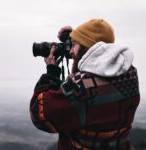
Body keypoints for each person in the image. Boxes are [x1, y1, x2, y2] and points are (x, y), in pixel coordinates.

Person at [30, 19, 140, 150]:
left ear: (87, 47)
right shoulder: (130, 74)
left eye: (74, 45)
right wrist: (76, 41)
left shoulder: (81, 88)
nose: (70, 51)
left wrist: (52, 73)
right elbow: (89, 79)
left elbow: (39, 115)